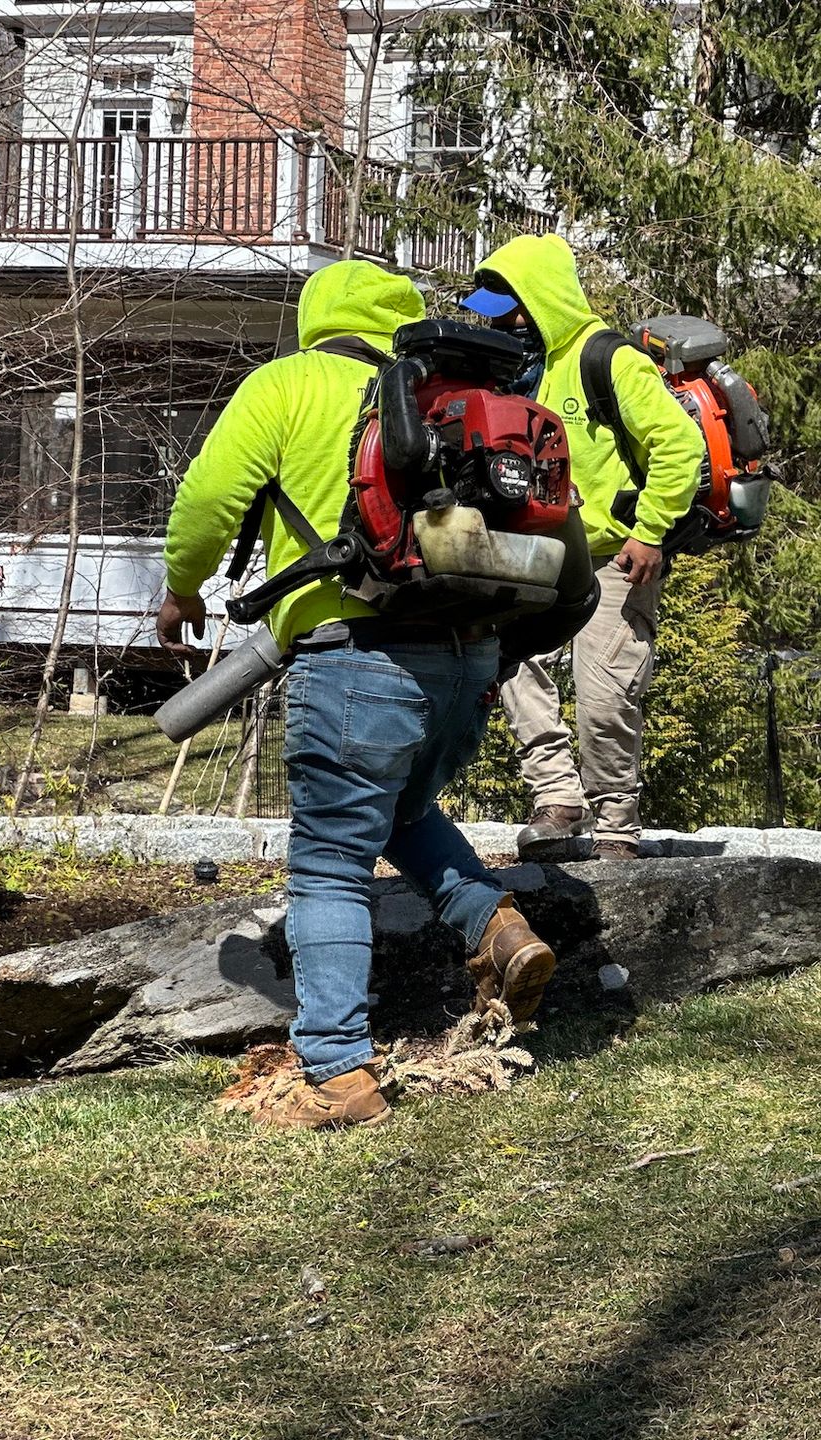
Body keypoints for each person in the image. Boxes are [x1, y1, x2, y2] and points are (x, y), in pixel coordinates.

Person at [158, 259, 566, 1129]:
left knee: (329, 862)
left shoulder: (291, 383)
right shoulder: (442, 391)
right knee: (402, 815)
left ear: (318, 317)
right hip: (467, 659)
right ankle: (500, 929)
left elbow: (207, 500)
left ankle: (337, 1072)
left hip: (359, 662)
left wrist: (183, 588)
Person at [460, 235, 705, 862]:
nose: (503, 324)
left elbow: (679, 446)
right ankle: (558, 799)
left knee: (605, 696)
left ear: (539, 300)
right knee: (512, 664)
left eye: (511, 309)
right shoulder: (517, 372)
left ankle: (617, 828)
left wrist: (650, 532)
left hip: (613, 558)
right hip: (535, 553)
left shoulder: (610, 360)